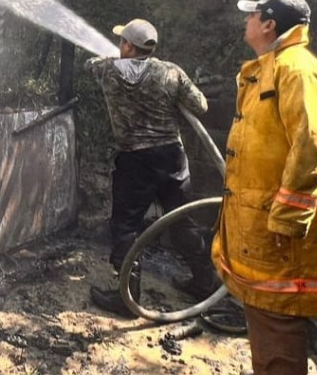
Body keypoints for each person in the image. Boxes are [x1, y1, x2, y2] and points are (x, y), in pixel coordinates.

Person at [211, 0, 317, 375]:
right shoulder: (272, 67)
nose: (246, 21)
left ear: (269, 23)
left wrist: (287, 217)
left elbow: (316, 143)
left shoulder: (297, 70)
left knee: (276, 318)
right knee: (264, 310)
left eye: (252, 14)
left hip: (278, 234)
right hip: (260, 227)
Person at [86, 18, 220, 318]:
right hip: (172, 158)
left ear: (128, 46)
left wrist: (112, 59)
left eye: (122, 41)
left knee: (126, 226)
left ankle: (128, 297)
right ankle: (205, 282)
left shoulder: (107, 70)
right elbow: (200, 106)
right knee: (182, 220)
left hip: (134, 161)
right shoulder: (171, 72)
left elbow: (90, 64)